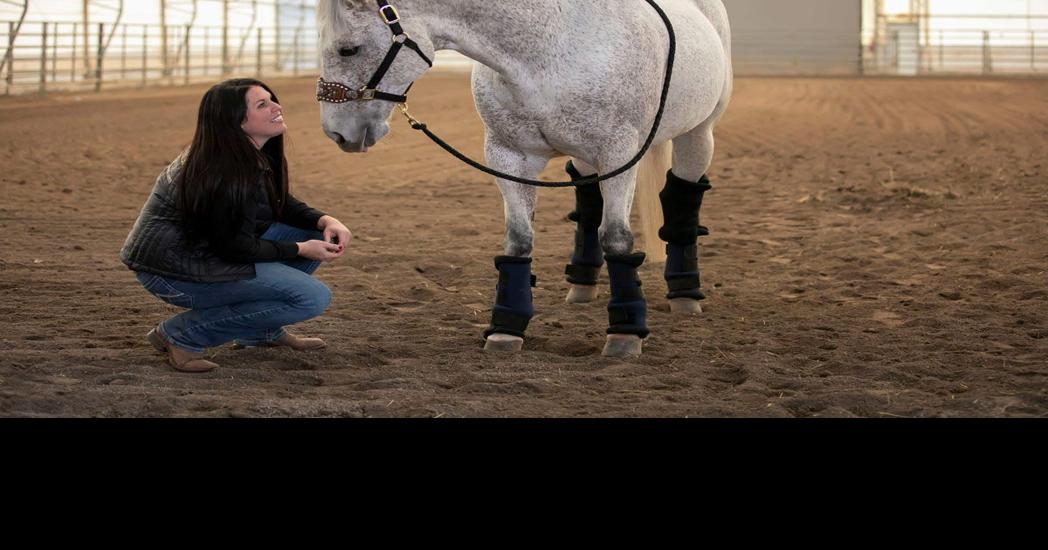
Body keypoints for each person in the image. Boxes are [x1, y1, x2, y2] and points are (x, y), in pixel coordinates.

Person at [120, 78, 352, 373]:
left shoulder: (245, 152)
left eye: (271, 99)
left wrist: (325, 220)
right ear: (236, 121)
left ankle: (260, 332)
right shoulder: (222, 171)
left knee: (314, 232)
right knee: (312, 297)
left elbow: (278, 203)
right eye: (262, 104)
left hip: (208, 252)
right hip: (174, 273)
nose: (277, 107)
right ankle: (181, 334)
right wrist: (301, 249)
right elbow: (234, 247)